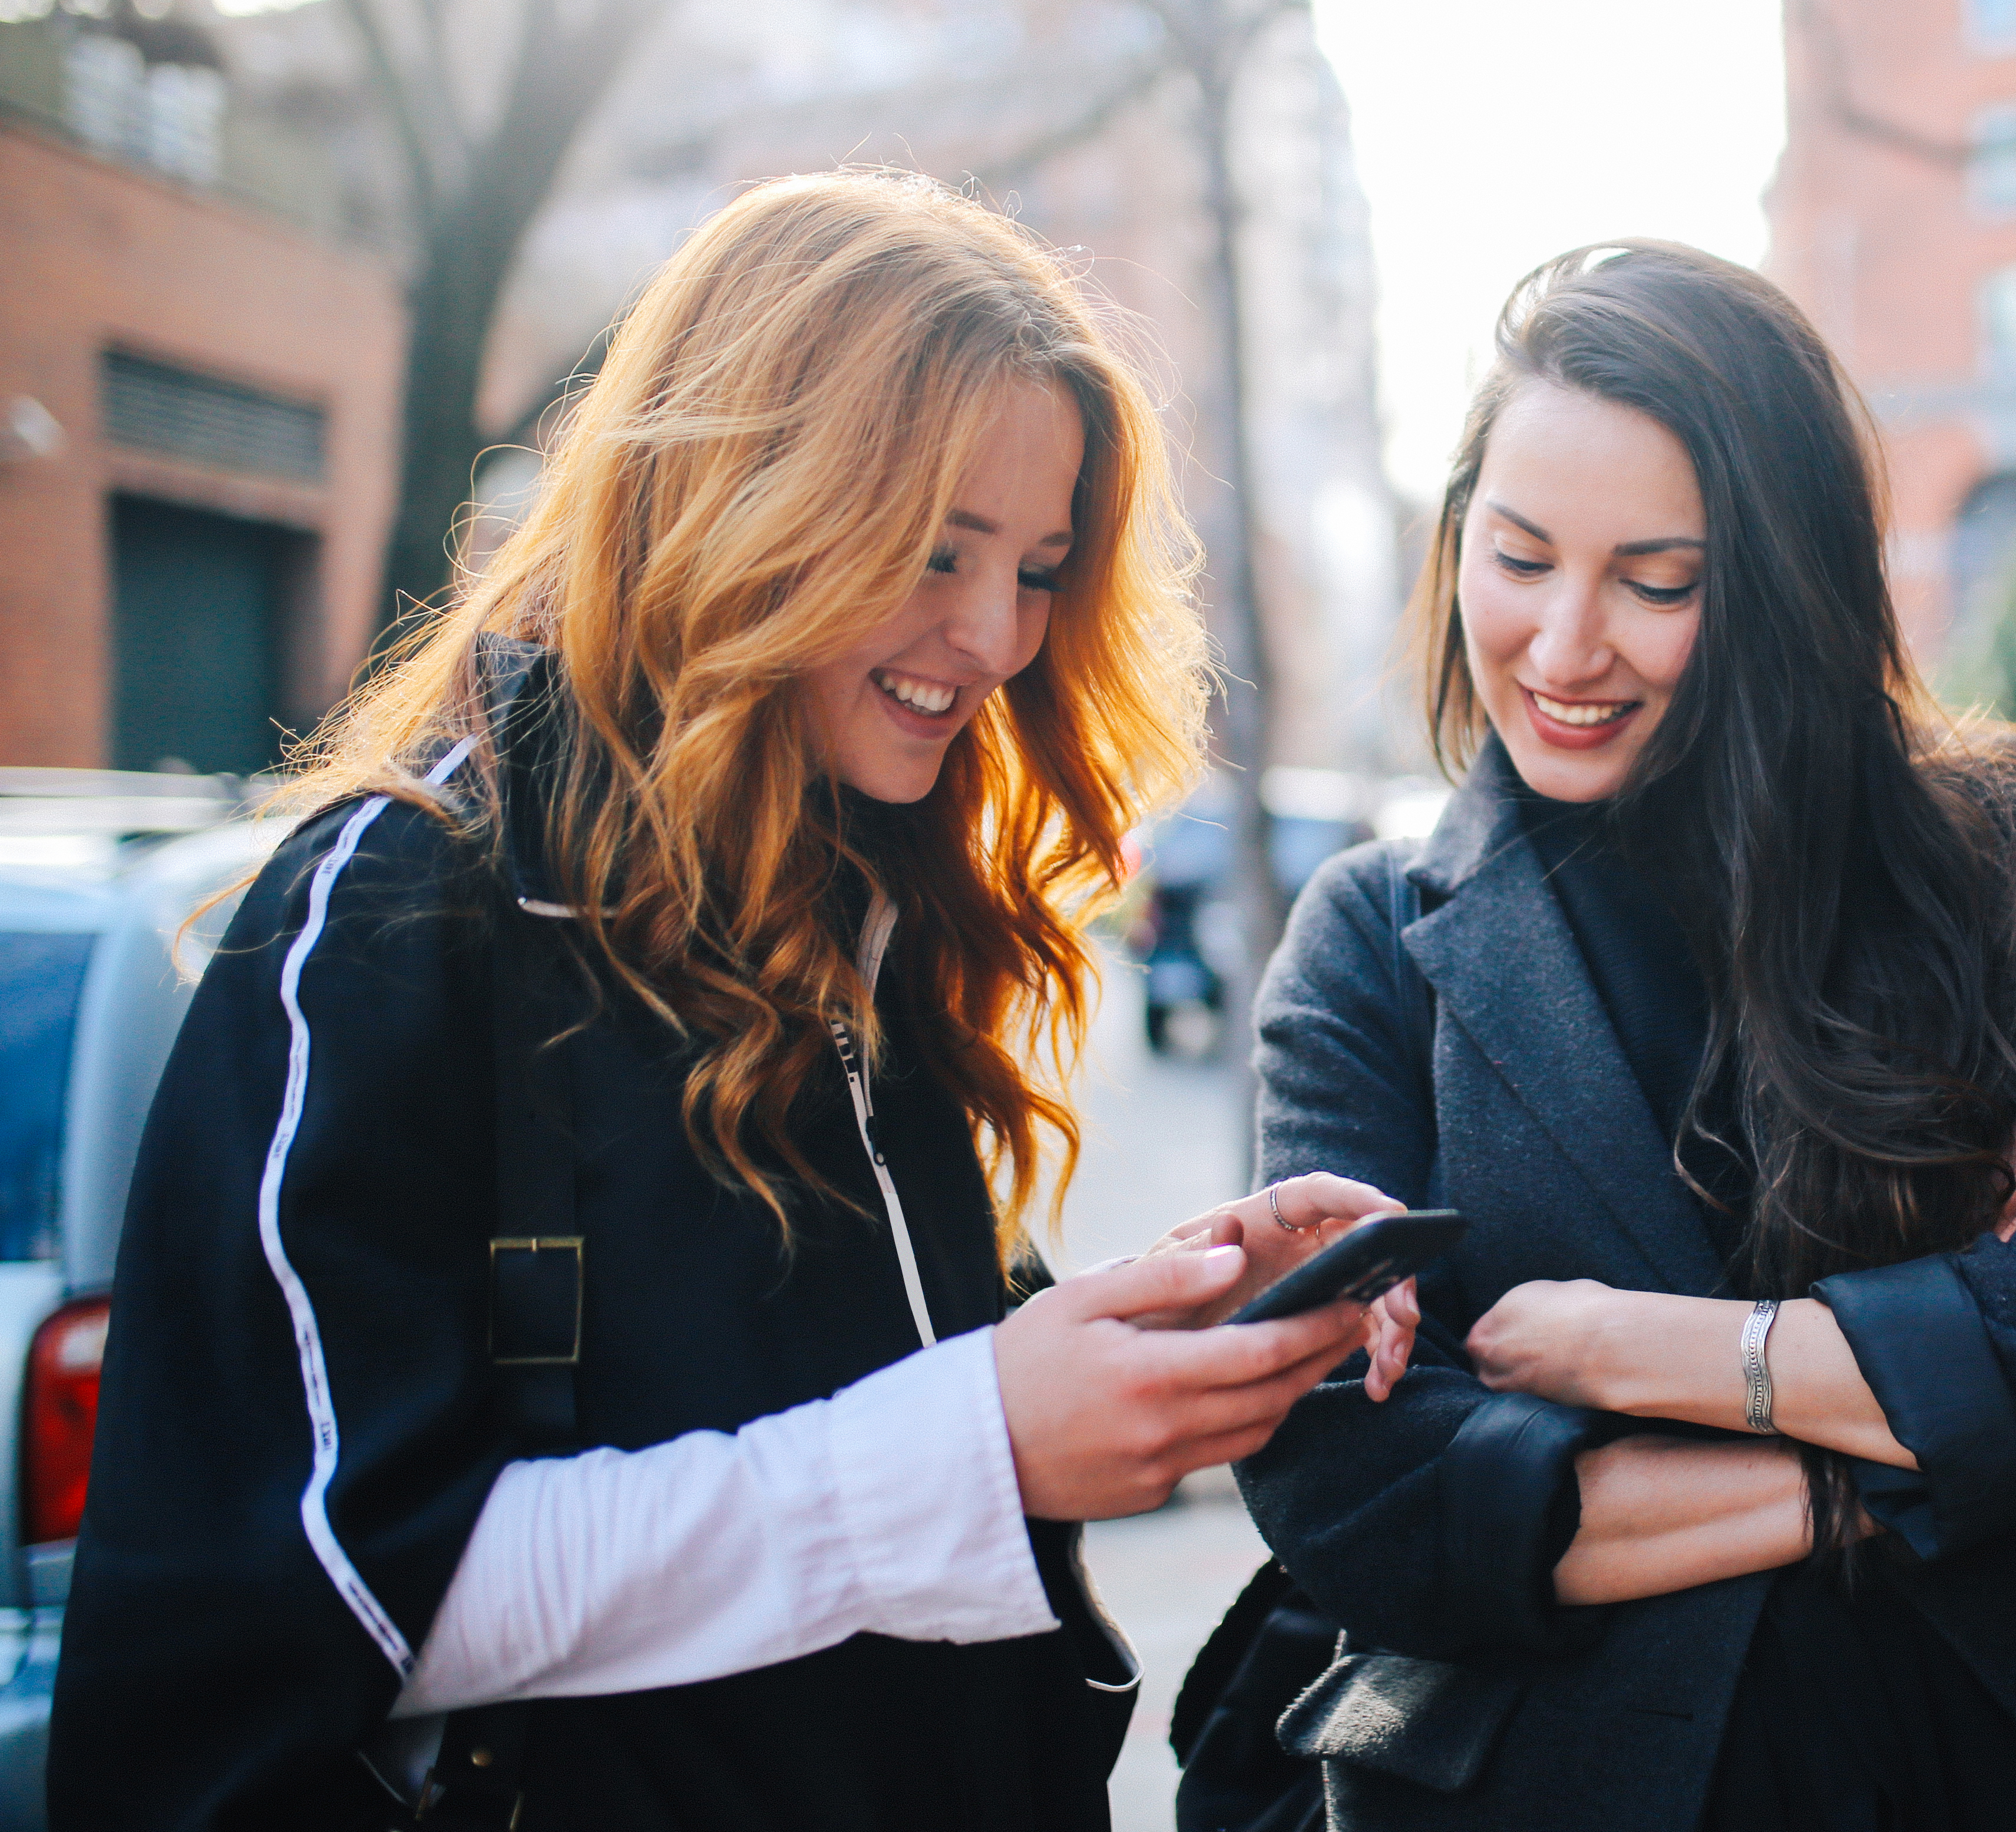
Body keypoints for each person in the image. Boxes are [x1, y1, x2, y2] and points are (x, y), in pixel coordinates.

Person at [51, 172, 1409, 1830]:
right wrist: (974, 1441)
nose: (992, 636)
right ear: (745, 494)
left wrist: (1178, 1308)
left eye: (1039, 566)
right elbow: (316, 1600)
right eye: (934, 548)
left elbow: (856, 1378)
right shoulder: (404, 910)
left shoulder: (866, 888)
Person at [1232, 242, 2016, 1832]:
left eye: (1656, 582)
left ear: (1779, 588)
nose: (1562, 645)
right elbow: (1360, 1494)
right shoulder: (1370, 941)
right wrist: (1910, 1443)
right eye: (1519, 557)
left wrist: (1642, 1357)